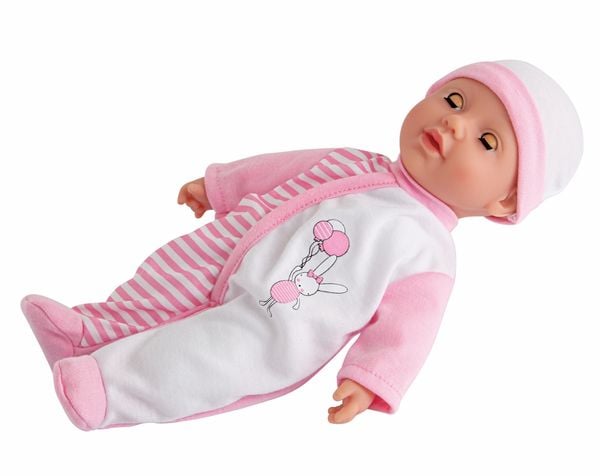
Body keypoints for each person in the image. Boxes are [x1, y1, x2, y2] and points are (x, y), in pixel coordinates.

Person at [21, 60, 583, 430]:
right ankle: (86, 333)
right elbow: (279, 168)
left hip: (276, 326)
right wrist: (221, 186)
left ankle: (110, 391)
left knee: (202, 359)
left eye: (487, 141)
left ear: (504, 202)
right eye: (455, 100)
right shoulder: (354, 161)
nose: (456, 124)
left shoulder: (427, 250)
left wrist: (371, 379)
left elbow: (409, 329)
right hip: (229, 246)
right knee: (162, 278)